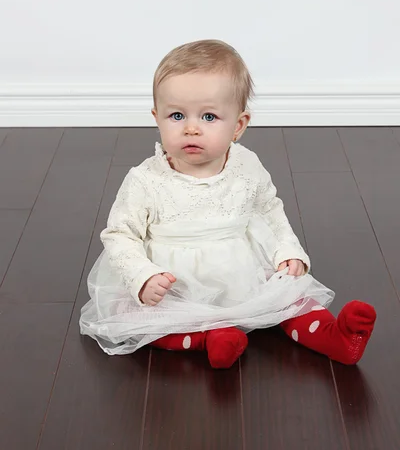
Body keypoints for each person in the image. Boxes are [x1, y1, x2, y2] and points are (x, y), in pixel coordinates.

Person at [80, 40, 376, 368]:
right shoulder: (145, 180)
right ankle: (210, 337)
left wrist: (287, 250)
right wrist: (143, 276)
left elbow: (268, 209)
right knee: (137, 316)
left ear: (238, 126)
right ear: (157, 118)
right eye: (176, 115)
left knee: (287, 296)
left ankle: (334, 336)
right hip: (174, 280)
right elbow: (120, 235)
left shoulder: (246, 166)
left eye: (209, 116)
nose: (191, 127)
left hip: (239, 265)